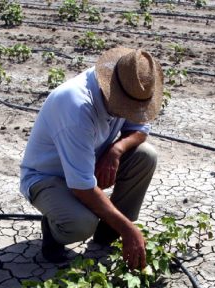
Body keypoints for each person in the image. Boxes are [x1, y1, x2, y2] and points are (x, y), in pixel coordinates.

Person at [20, 47, 164, 270]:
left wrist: (116, 150)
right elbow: (82, 187)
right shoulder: (75, 106)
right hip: (48, 178)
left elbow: (140, 130)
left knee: (145, 156)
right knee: (81, 224)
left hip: (89, 162)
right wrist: (130, 229)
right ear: (111, 91)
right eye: (127, 108)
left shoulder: (130, 85)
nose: (130, 112)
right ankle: (53, 233)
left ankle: (108, 231)